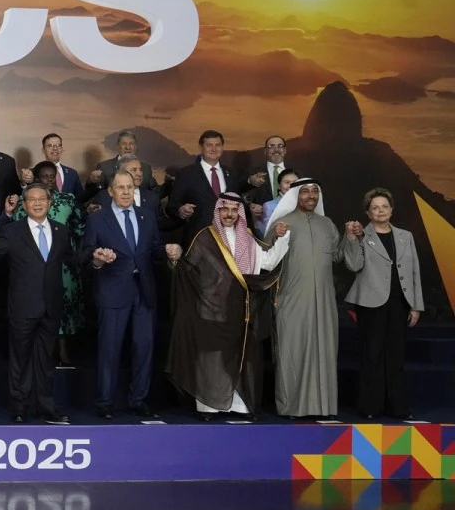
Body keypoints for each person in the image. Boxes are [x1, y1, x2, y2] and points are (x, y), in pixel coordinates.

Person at [167, 192, 290, 421]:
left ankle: (239, 406)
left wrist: (283, 239)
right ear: (218, 210)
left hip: (242, 310)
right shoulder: (205, 237)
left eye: (234, 210)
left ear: (240, 213)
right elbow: (190, 269)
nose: (230, 214)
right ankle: (208, 407)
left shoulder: (249, 239)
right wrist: (175, 260)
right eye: (225, 209)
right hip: (211, 309)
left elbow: (269, 262)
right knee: (211, 359)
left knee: (240, 358)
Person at [0, 184, 73, 424]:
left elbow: (72, 259)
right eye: (32, 200)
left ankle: (46, 407)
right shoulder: (12, 231)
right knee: (20, 360)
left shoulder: (61, 231)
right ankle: (19, 407)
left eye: (42, 199)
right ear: (24, 205)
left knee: (45, 361)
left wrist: (96, 259)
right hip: (23, 307)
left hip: (51, 307)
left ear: (49, 202)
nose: (37, 203)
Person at [80, 169, 181, 419]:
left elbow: (154, 249)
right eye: (121, 187)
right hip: (112, 291)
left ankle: (138, 400)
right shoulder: (97, 220)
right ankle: (105, 402)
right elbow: (84, 256)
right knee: (109, 348)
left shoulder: (147, 216)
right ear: (110, 191)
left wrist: (167, 250)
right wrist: (97, 260)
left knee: (144, 348)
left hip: (144, 291)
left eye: (130, 187)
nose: (126, 192)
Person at [265, 178, 347, 419]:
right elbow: (265, 256)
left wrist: (351, 238)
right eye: (305, 192)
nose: (310, 196)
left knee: (324, 352)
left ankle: (323, 408)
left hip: (324, 301)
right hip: (291, 299)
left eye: (314, 192)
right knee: (293, 351)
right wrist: (274, 236)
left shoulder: (327, 224)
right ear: (295, 196)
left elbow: (338, 256)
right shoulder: (283, 223)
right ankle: (291, 407)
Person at [342, 188, 425, 420]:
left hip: (400, 302)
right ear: (368, 213)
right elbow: (353, 265)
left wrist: (416, 305)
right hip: (371, 304)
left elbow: (414, 271)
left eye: (385, 207)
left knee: (396, 356)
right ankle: (370, 406)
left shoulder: (405, 236)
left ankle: (397, 407)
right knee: (372, 355)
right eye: (375, 208)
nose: (381, 211)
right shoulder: (362, 234)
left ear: (392, 210)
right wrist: (352, 239)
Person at [3, 160, 86, 365]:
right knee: (39, 305)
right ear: (36, 178)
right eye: (44, 176)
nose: (48, 180)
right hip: (36, 265)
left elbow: (79, 227)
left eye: (52, 176)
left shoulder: (68, 199)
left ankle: (63, 349)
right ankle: (41, 351)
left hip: (65, 264)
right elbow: (17, 229)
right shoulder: (27, 200)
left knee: (63, 306)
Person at [166, 130, 260, 245]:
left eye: (217, 145)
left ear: (222, 148)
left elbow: (239, 195)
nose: (214, 149)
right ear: (201, 148)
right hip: (198, 239)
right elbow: (172, 206)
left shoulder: (232, 173)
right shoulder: (186, 173)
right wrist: (181, 210)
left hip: (230, 239)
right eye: (209, 145)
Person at [89, 130, 159, 195]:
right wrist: (92, 181)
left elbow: (155, 193)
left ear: (135, 147)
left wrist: (166, 185)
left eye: (131, 144)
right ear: (118, 146)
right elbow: (94, 193)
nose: (127, 147)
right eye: (123, 144)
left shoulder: (145, 168)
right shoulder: (104, 167)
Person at [21, 133, 84, 201]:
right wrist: (24, 183)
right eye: (50, 145)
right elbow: (24, 197)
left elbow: (80, 198)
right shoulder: (33, 173)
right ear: (43, 150)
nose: (55, 148)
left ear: (62, 149)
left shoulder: (72, 173)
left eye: (58, 145)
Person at [256, 168, 299, 238]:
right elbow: (264, 234)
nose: (291, 185)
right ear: (279, 186)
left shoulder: (305, 204)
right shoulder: (269, 206)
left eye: (295, 182)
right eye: (287, 182)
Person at [248, 135, 288, 206]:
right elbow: (245, 197)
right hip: (262, 212)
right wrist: (251, 206)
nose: (276, 149)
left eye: (280, 146)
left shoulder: (296, 173)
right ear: (265, 151)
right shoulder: (253, 173)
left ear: (285, 150)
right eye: (271, 146)